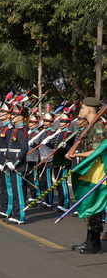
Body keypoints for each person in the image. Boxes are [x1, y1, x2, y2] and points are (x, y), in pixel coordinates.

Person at [67, 97, 106, 254]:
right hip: (90, 173)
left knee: (94, 208)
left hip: (97, 173)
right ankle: (89, 241)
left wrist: (77, 154)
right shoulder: (90, 126)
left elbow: (97, 151)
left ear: (90, 109)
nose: (80, 110)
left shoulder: (97, 128)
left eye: (82, 108)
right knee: (88, 209)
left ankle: (95, 245)